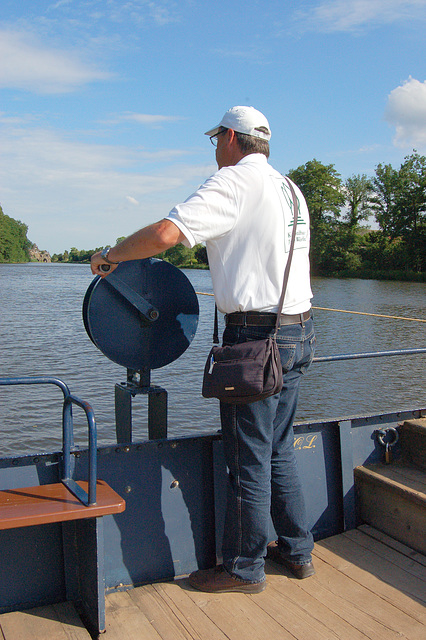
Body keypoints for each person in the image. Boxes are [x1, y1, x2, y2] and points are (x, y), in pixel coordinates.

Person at [91, 106, 316, 593]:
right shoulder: (290, 189)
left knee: (248, 457)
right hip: (297, 333)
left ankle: (243, 568)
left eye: (216, 140)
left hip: (255, 340)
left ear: (231, 139)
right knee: (278, 449)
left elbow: (167, 234)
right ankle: (298, 551)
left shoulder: (234, 182)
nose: (215, 150)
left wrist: (110, 256)